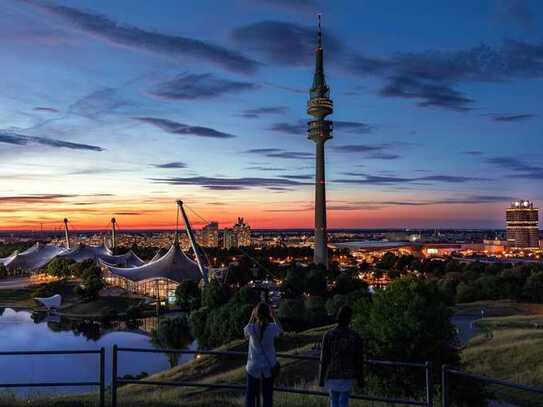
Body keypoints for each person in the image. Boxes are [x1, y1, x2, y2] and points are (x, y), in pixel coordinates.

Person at [319, 305, 365, 407]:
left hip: (332, 374)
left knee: (333, 401)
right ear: (349, 319)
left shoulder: (329, 335)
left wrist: (321, 378)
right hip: (347, 374)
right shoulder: (355, 336)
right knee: (344, 402)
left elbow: (324, 359)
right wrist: (361, 378)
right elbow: (358, 360)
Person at [244, 302, 283, 407]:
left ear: (256, 314)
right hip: (268, 367)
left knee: (250, 397)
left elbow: (245, 332)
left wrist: (252, 317)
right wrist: (274, 316)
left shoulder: (251, 328)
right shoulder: (272, 328)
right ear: (268, 314)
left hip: (253, 367)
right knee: (267, 397)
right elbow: (281, 330)